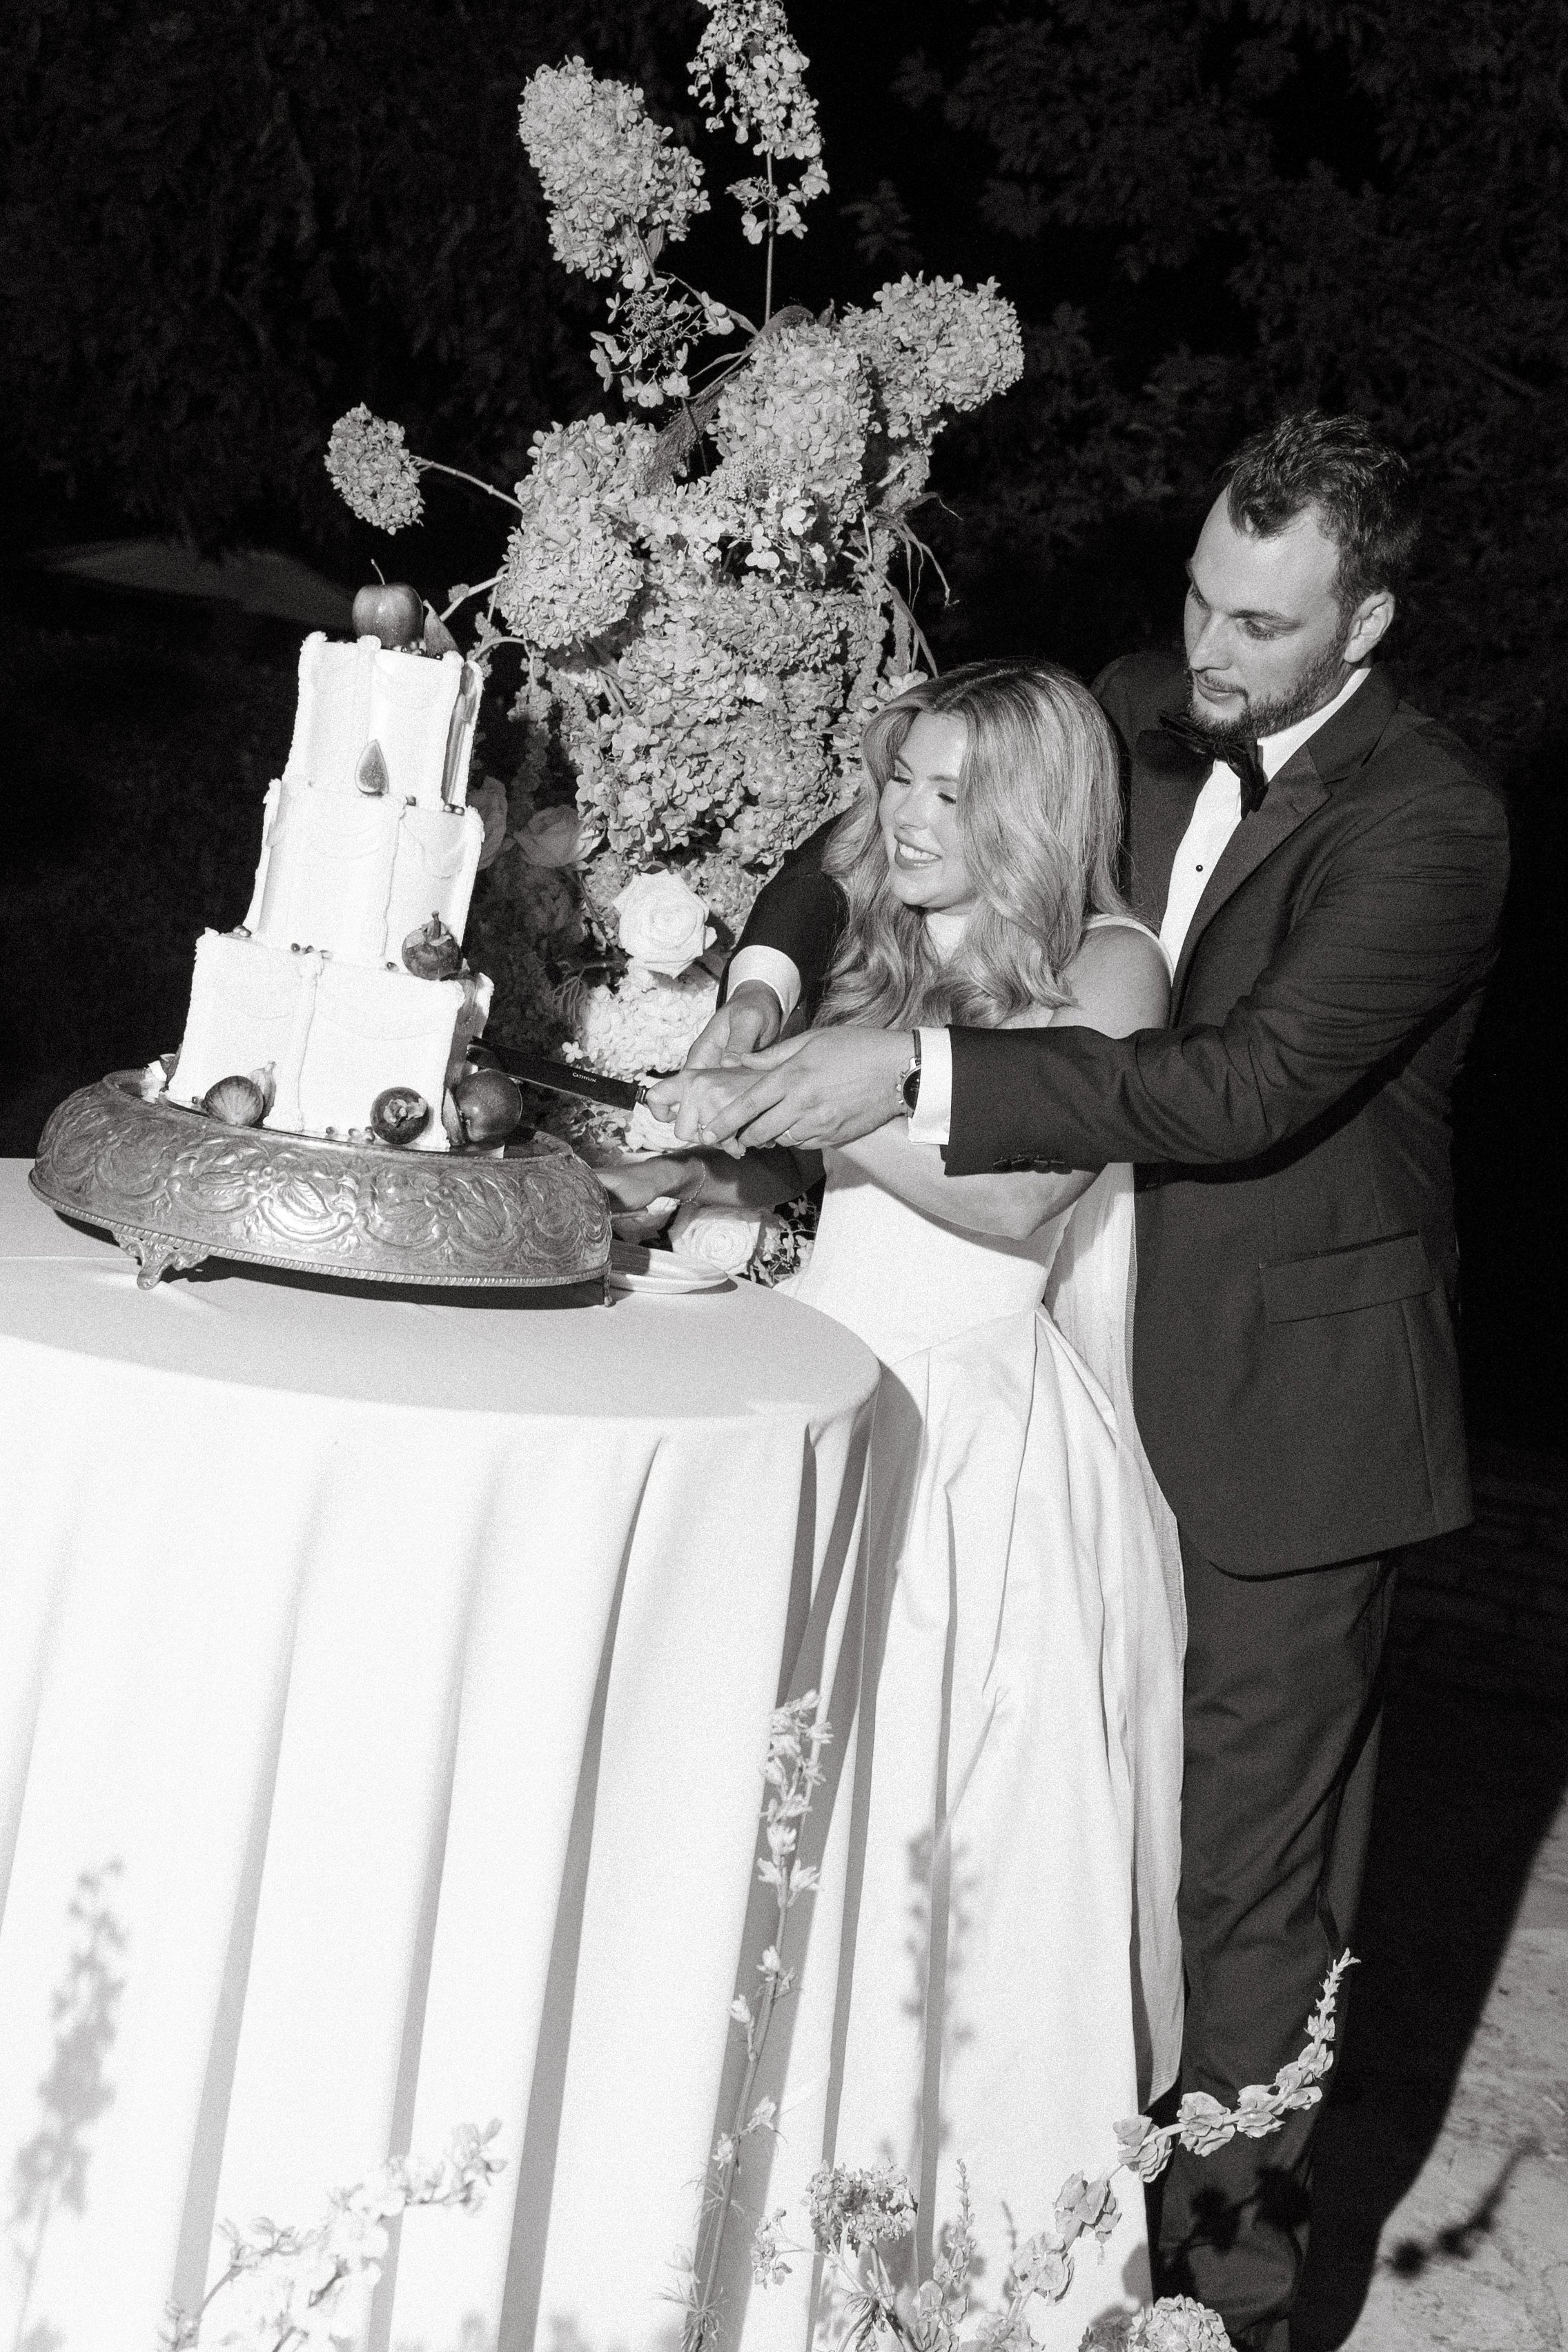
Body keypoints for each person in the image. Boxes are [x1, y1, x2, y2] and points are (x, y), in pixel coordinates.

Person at [646, 414, 1511, 2349]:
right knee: (1040, 1832)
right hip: (1063, 1362)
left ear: (1362, 626)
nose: (1206, 652)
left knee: (1245, 1914)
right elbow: (867, 831)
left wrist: (901, 1077)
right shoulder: (1135, 709)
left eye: (1263, 629)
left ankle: (1226, 2311)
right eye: (1201, 594)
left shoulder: (1433, 821)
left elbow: (1239, 1087)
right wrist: (779, 984)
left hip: (1286, 1419)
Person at [604, 662, 1186, 2343]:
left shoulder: (1111, 963)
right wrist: (703, 1130)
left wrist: (834, 1102)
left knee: (948, 1861)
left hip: (975, 1453)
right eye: (902, 784)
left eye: (946, 796)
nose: (907, 821)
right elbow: (811, 902)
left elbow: (1017, 1204)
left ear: (1027, 811)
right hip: (825, 1401)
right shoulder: (897, 933)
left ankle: (944, 2274)